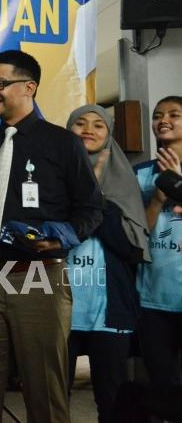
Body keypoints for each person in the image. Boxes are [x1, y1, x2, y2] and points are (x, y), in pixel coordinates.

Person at [0, 50, 103, 423]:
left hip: (40, 277)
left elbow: (92, 209)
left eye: (0, 83)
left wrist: (60, 236)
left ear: (29, 87)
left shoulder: (62, 144)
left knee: (44, 390)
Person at [64, 105, 149, 422]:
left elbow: (130, 248)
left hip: (109, 309)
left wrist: (94, 197)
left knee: (112, 399)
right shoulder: (51, 179)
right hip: (58, 305)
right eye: (80, 123)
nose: (88, 129)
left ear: (109, 134)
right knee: (51, 394)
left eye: (98, 125)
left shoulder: (125, 182)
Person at [134, 96, 182, 391]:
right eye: (157, 115)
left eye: (174, 114)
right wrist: (159, 198)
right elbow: (137, 235)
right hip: (153, 297)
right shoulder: (140, 174)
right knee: (161, 385)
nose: (163, 119)